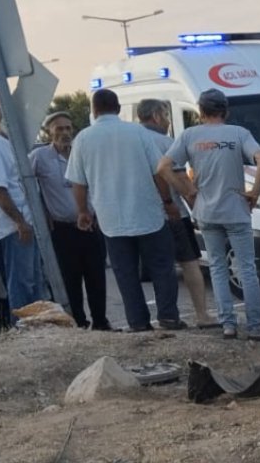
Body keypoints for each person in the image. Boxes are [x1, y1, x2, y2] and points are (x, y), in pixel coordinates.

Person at [66, 89, 186, 332]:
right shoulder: (138, 132)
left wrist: (82, 212)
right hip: (148, 213)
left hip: (111, 219)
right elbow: (158, 171)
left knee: (126, 274)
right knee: (162, 268)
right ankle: (169, 317)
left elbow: (78, 183)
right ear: (118, 108)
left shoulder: (83, 139)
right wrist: (167, 202)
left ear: (93, 110)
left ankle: (138, 323)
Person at [160, 89, 260, 341]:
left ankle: (228, 324)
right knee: (247, 268)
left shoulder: (189, 135)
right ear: (226, 111)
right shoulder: (238, 133)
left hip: (206, 211)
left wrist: (187, 191)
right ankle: (254, 327)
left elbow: (163, 167)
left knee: (218, 267)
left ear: (200, 112)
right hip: (236, 209)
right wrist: (254, 192)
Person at [137, 100, 217, 328]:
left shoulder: (134, 140)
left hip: (144, 215)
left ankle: (163, 316)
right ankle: (202, 315)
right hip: (173, 213)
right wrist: (195, 202)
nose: (168, 120)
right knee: (190, 262)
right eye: (165, 114)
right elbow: (180, 178)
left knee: (160, 267)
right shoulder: (165, 142)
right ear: (155, 116)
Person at [30, 111, 111, 330]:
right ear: (49, 131)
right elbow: (26, 187)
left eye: (68, 128)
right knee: (70, 280)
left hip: (91, 225)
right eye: (59, 129)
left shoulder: (81, 152)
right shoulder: (39, 158)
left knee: (96, 277)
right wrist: (41, 213)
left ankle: (101, 323)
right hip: (62, 228)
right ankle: (78, 323)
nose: (65, 133)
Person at [0, 109, 44, 321]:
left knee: (34, 282)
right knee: (21, 283)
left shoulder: (10, 146)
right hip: (13, 228)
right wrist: (20, 222)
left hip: (26, 223)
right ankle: (22, 328)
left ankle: (36, 326)